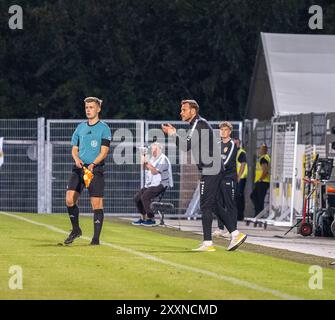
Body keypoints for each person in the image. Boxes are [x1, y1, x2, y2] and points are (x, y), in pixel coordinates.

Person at [162, 100, 246, 252]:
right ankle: (235, 234)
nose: (181, 112)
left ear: (193, 111)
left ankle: (208, 244)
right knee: (213, 204)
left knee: (205, 205)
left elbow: (185, 145)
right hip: (211, 168)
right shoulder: (197, 125)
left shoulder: (199, 123)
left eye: (184, 109)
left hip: (212, 169)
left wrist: (173, 133)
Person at [64, 96, 112, 245]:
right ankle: (76, 229)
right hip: (79, 169)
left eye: (91, 107)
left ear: (98, 109)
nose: (88, 110)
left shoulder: (104, 128)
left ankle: (95, 239)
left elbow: (104, 151)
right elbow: (74, 149)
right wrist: (77, 159)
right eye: (86, 108)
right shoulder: (80, 127)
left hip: (95, 170)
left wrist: (93, 164)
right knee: (69, 199)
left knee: (96, 205)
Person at [212, 122, 247, 249]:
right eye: (221, 130)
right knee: (218, 203)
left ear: (230, 132)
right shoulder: (217, 144)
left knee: (230, 204)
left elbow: (225, 161)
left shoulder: (232, 144)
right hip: (218, 178)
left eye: (225, 130)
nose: (223, 132)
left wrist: (215, 165)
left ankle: (233, 230)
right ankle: (221, 228)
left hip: (228, 179)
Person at [132, 142, 173, 226]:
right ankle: (143, 217)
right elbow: (143, 167)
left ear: (159, 149)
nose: (151, 150)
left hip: (161, 184)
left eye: (154, 148)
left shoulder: (163, 159)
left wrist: (147, 163)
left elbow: (154, 171)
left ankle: (151, 218)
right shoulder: (152, 158)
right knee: (137, 198)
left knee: (145, 197)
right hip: (151, 184)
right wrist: (143, 155)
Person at [250, 144, 271, 217]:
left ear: (264, 150)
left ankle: (259, 214)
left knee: (257, 198)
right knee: (256, 197)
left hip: (262, 182)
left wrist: (260, 179)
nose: (259, 150)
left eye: (261, 149)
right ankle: (258, 214)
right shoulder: (266, 157)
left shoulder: (263, 159)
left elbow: (265, 171)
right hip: (264, 181)